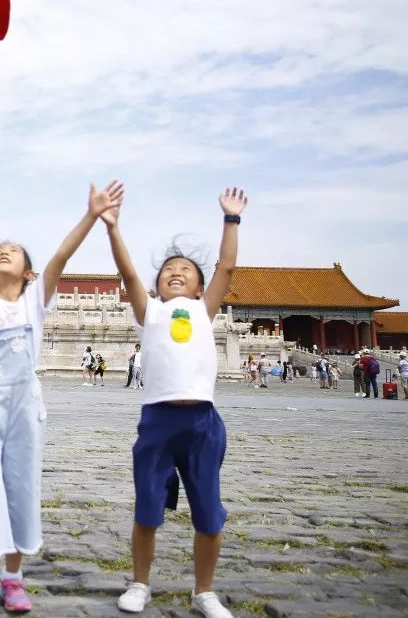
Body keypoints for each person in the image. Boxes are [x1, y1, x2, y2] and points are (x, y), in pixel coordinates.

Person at [0, 177, 124, 618]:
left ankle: (13, 577)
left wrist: (91, 216)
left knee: (20, 491)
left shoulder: (35, 302)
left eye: (14, 251)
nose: (3, 250)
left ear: (28, 274)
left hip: (24, 410)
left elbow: (61, 256)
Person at [107, 187, 247, 618]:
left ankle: (204, 591)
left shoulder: (204, 310)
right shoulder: (150, 312)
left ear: (201, 287)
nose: (175, 272)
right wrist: (113, 227)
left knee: (208, 513)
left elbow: (227, 266)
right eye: (168, 270)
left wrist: (231, 219)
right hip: (158, 421)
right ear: (156, 286)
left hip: (202, 422)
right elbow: (127, 271)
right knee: (148, 508)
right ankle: (140, 583)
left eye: (185, 269)